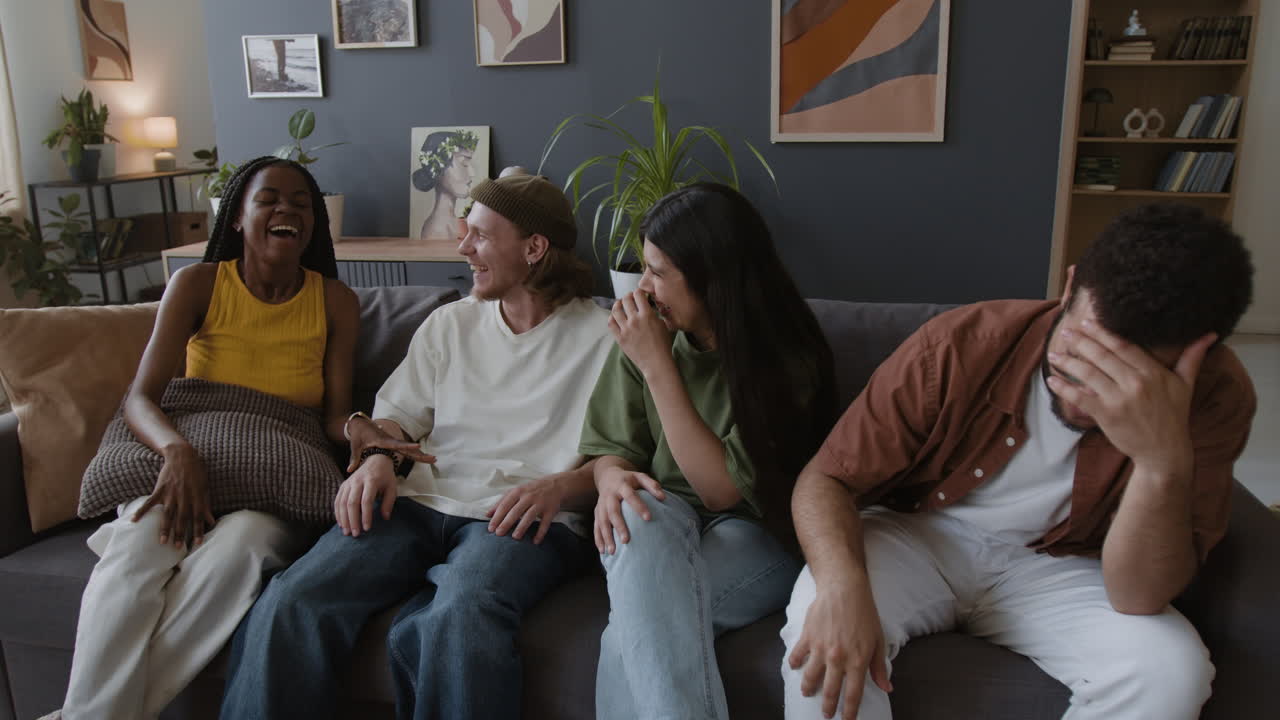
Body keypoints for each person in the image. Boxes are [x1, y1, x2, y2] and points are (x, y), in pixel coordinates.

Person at [782, 203, 1256, 720]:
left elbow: (1139, 596)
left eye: (1128, 382)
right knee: (819, 638)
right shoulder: (960, 344)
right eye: (1079, 355)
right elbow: (825, 479)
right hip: (918, 534)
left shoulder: (1215, 397)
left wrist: (1160, 461)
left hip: (1066, 565)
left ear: (1198, 359)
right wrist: (840, 587)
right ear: (1069, 287)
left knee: (1169, 673)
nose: (1084, 399)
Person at [219, 172, 612, 720]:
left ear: (534, 247)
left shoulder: (605, 337)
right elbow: (397, 417)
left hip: (521, 518)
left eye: (479, 234)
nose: (463, 247)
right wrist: (378, 459)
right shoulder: (448, 325)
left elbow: (624, 456)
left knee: (460, 615)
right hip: (417, 502)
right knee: (293, 599)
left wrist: (559, 487)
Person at [42, 156, 360, 720]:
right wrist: (177, 450)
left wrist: (361, 427)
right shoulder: (197, 284)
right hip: (189, 458)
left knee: (239, 551)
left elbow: (333, 419)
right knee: (141, 542)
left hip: (275, 480)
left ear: (313, 224)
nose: (286, 208)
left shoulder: (335, 300)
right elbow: (141, 396)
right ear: (237, 217)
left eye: (301, 203)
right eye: (269, 199)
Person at [579, 183, 837, 720]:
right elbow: (609, 451)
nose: (644, 287)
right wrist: (610, 480)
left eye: (657, 271)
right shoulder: (647, 332)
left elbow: (720, 491)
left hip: (759, 529)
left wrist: (657, 365)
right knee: (636, 509)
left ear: (713, 276)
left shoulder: (787, 357)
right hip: (662, 525)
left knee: (623, 644)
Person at [413, 129, 478, 241]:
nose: (472, 173)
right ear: (439, 169)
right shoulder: (438, 231)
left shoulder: (456, 222)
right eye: (463, 163)